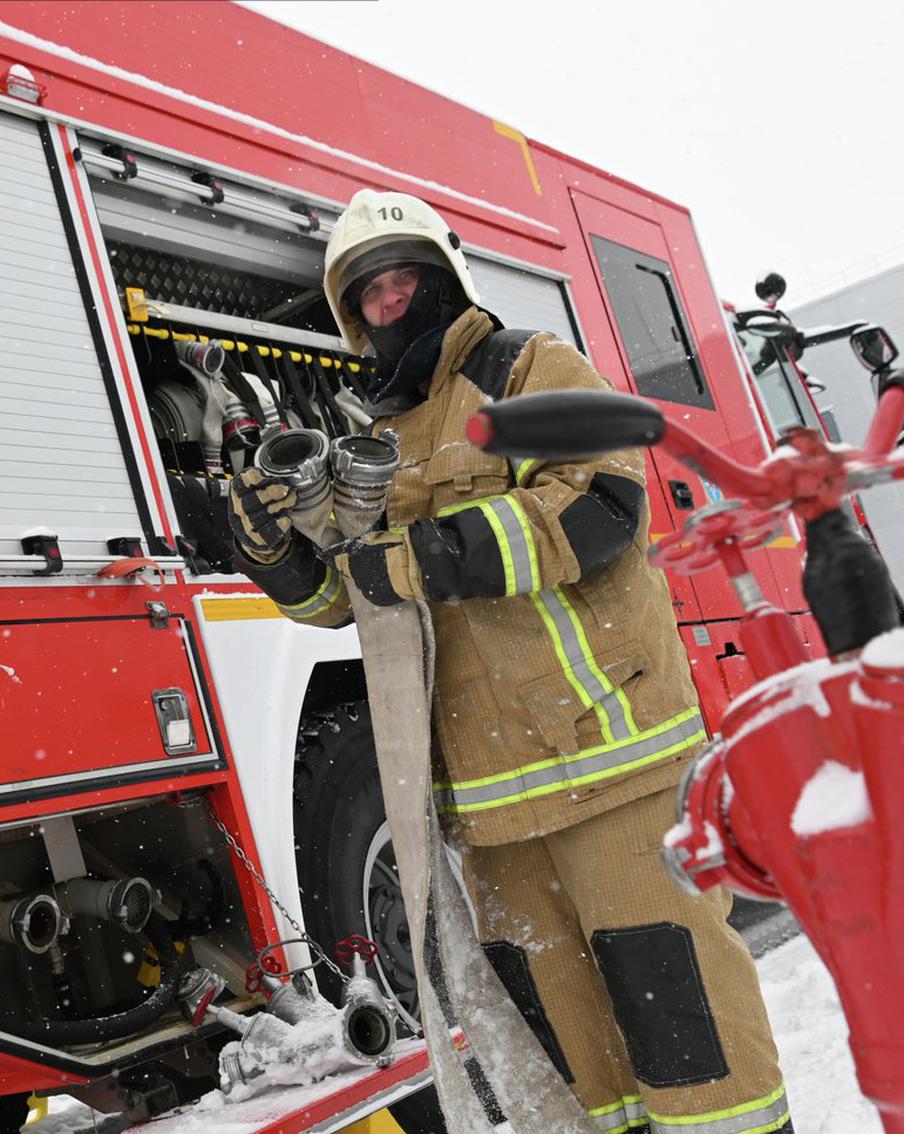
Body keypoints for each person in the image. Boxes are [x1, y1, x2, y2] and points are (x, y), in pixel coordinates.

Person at [228, 189, 792, 1134]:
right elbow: (353, 603)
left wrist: (425, 552)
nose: (389, 304)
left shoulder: (529, 368)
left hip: (609, 762)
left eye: (404, 279)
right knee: (569, 1051)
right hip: (490, 808)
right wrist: (278, 557)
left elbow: (605, 502)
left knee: (683, 1016)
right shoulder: (372, 441)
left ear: (445, 277)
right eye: (368, 295)